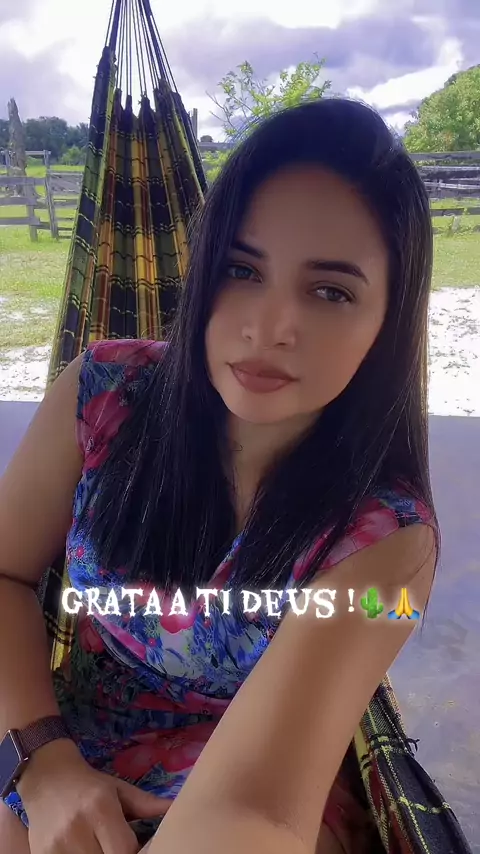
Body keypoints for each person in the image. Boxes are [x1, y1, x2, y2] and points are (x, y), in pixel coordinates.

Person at [0, 96, 448, 854]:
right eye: (242, 269)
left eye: (330, 291)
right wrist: (42, 759)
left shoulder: (389, 542)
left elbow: (260, 813)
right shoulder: (102, 396)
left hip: (264, 771)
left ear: (389, 320)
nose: (268, 327)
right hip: (61, 746)